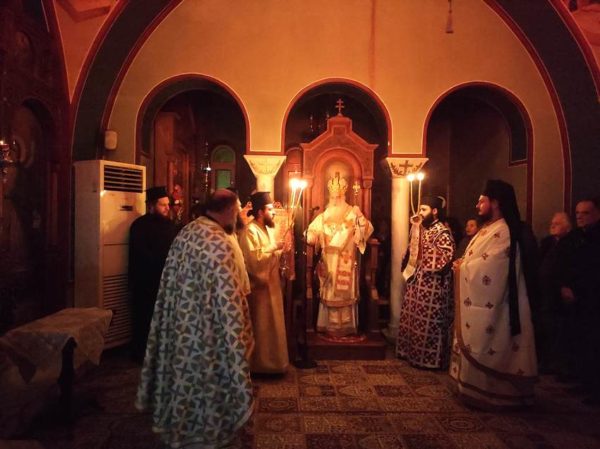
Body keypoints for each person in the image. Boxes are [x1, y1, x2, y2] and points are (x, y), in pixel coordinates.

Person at [136, 189, 254, 449]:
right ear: (229, 210)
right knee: (206, 380)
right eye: (236, 211)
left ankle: (179, 428)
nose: (237, 216)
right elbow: (228, 300)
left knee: (182, 376)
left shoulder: (187, 232)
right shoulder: (219, 242)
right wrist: (240, 331)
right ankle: (207, 432)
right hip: (207, 331)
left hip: (180, 326)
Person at [450, 179, 537, 409]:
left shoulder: (505, 230)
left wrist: (463, 268)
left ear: (495, 203)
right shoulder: (489, 228)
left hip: (499, 304)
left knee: (493, 342)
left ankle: (493, 395)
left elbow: (494, 267)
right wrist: (464, 262)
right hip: (484, 300)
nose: (477, 205)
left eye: (482, 201)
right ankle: (471, 390)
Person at [306, 173, 373, 337]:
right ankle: (328, 325)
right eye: (333, 197)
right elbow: (311, 233)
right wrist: (312, 236)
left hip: (346, 261)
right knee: (330, 292)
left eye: (338, 196)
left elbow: (367, 230)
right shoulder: (324, 215)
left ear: (343, 195)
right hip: (328, 262)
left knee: (344, 295)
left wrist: (360, 216)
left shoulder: (352, 212)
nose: (335, 200)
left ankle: (346, 327)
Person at [396, 195, 455, 369]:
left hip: (433, 285)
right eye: (419, 209)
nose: (420, 212)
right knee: (413, 319)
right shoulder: (421, 229)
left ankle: (429, 360)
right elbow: (411, 252)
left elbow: (446, 257)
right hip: (417, 281)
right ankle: (411, 354)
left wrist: (423, 246)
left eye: (424, 209)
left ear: (434, 211)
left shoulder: (442, 231)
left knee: (428, 323)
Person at [239, 192, 289, 374]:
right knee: (261, 327)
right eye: (270, 209)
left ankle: (275, 363)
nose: (273, 212)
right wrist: (274, 248)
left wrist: (279, 251)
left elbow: (269, 255)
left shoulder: (266, 229)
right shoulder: (249, 231)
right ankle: (260, 365)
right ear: (260, 212)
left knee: (272, 326)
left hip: (271, 287)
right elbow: (254, 261)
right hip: (260, 290)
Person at [556, 198, 600, 404]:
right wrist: (565, 285)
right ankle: (584, 381)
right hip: (576, 298)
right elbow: (567, 264)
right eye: (578, 213)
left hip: (592, 297)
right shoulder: (576, 237)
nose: (580, 216)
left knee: (594, 343)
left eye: (586, 213)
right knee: (581, 341)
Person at [128, 186, 178, 362]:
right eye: (163, 205)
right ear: (151, 205)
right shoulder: (139, 226)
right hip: (145, 282)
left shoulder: (170, 225)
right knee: (144, 319)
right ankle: (142, 355)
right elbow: (141, 255)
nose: (167, 208)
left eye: (168, 205)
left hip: (166, 281)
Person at [537, 212, 572, 374]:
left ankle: (558, 366)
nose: (552, 225)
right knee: (544, 328)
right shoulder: (547, 243)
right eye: (552, 222)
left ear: (567, 227)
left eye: (557, 223)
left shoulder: (570, 244)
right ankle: (545, 362)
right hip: (543, 293)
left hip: (558, 295)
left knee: (557, 330)